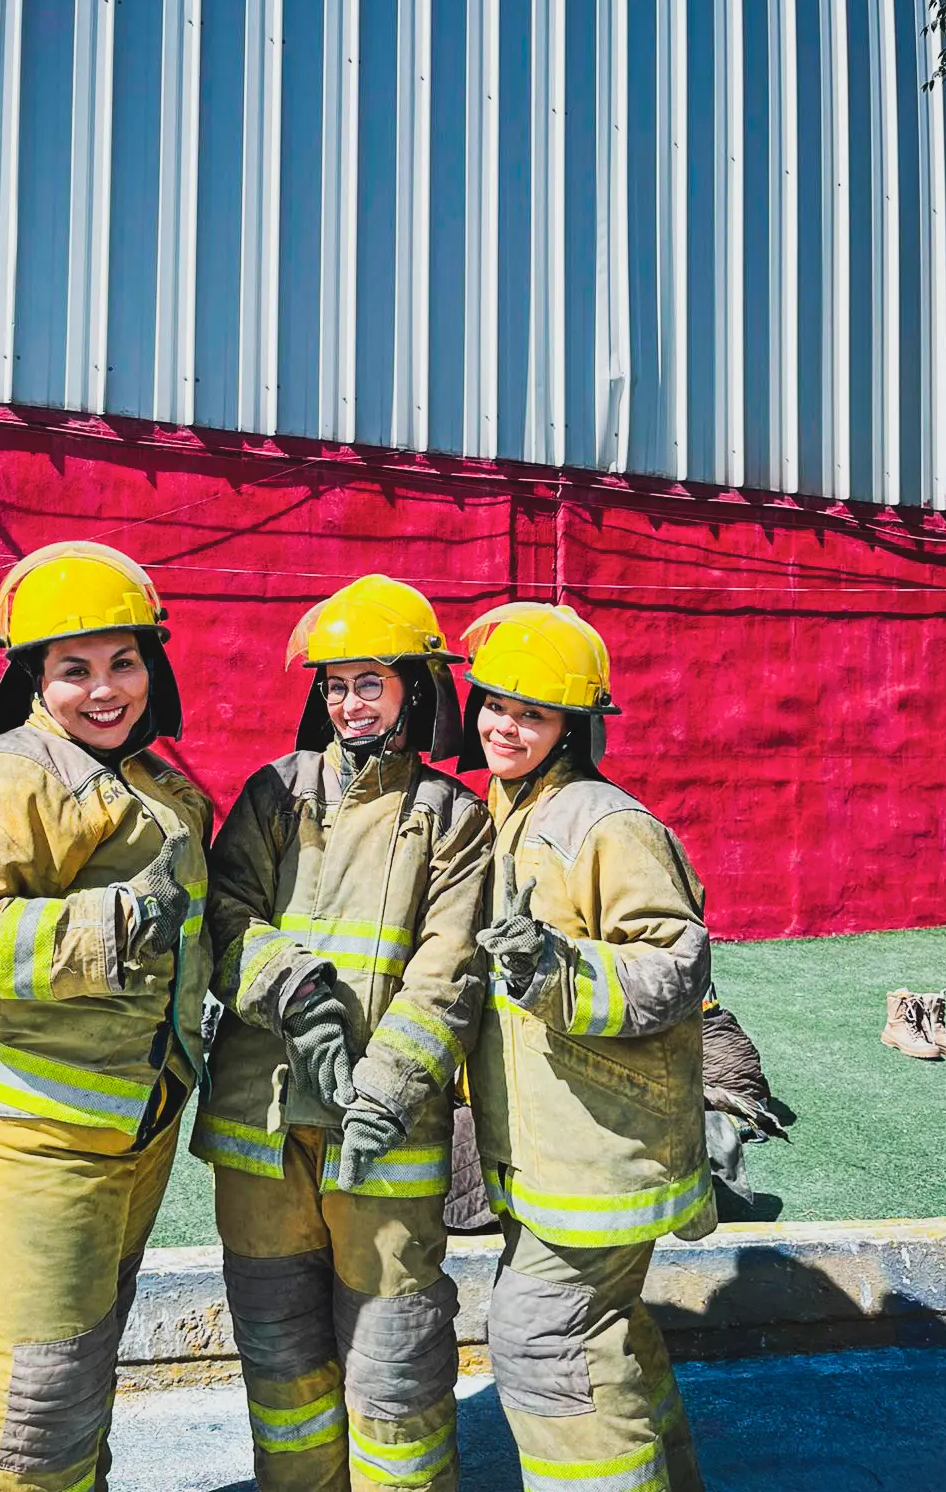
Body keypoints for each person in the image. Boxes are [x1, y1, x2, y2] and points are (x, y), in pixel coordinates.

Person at [0, 540, 212, 1492]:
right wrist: (113, 924)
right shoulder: (12, 776)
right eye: (74, 669)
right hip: (33, 1126)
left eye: (124, 661)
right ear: (34, 678)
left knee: (84, 1363)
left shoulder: (148, 779)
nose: (105, 689)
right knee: (41, 1389)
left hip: (131, 1118)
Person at [191, 575, 494, 1492]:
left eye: (370, 683)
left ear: (414, 691)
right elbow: (225, 915)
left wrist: (387, 1088)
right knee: (281, 1365)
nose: (349, 703)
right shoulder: (275, 793)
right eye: (335, 685)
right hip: (262, 1127)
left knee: (395, 1365)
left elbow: (450, 972)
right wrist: (293, 992)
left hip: (383, 1137)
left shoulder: (453, 820)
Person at [460, 602, 714, 1492]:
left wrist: (554, 969)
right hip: (555, 1147)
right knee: (607, 1331)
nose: (506, 727)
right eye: (496, 705)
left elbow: (677, 963)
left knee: (545, 1340)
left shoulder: (603, 823)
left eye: (532, 714)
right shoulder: (505, 808)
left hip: (605, 1147)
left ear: (573, 726)